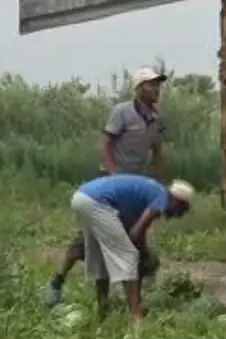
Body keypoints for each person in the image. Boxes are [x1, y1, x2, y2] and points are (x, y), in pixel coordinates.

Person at [44, 67, 168, 307]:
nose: (156, 89)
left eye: (158, 85)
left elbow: (157, 153)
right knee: (86, 242)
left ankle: (132, 301)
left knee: (134, 241)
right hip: (109, 185)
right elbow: (106, 143)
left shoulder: (156, 119)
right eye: (151, 84)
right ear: (139, 88)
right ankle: (58, 280)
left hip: (133, 189)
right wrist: (112, 173)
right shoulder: (122, 112)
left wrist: (159, 183)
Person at [70, 174, 193, 322]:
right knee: (128, 256)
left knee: (102, 258)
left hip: (82, 196)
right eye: (179, 211)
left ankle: (102, 309)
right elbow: (136, 232)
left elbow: (135, 231)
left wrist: (141, 249)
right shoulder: (162, 198)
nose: (174, 216)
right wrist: (143, 253)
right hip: (96, 202)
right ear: (177, 201)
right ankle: (137, 317)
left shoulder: (154, 190)